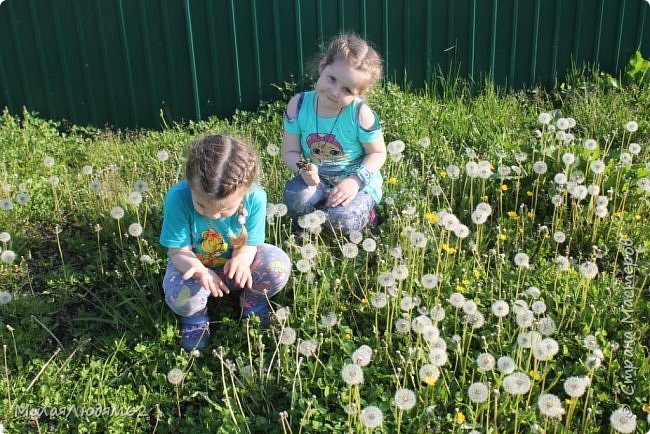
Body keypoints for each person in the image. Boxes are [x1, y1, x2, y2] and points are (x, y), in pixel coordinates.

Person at [160, 134, 291, 351]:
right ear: (189, 185)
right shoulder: (178, 198)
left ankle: (252, 301)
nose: (213, 215)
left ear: (245, 192)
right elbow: (178, 251)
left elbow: (252, 243)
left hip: (237, 269)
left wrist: (241, 259)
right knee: (177, 295)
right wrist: (198, 270)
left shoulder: (256, 198)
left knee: (278, 265)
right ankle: (195, 319)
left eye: (225, 210)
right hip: (195, 269)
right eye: (202, 206)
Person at [281, 33, 387, 236]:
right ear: (322, 67)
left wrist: (354, 181)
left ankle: (367, 213)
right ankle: (322, 211)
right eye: (332, 79)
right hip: (317, 178)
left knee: (343, 221)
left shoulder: (360, 114)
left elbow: (378, 153)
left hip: (355, 182)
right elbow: (290, 150)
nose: (335, 92)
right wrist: (304, 168)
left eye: (347, 89)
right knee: (293, 198)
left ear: (359, 94)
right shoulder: (299, 105)